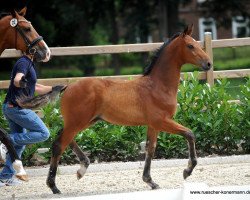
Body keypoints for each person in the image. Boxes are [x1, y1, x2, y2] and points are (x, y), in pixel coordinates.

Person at [0, 53, 54, 186]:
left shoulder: (29, 63)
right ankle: (5, 141)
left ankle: (5, 176)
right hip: (17, 108)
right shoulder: (24, 62)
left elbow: (37, 87)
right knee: (43, 133)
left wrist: (58, 88)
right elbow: (17, 79)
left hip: (11, 107)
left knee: (19, 144)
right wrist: (20, 81)